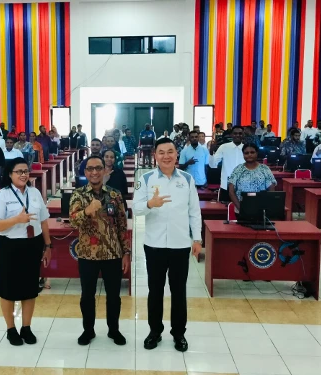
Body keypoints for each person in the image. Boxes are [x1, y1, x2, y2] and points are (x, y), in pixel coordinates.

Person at [133, 137, 202, 352]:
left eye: (170, 152)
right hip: (154, 245)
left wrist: (197, 238)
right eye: (161, 152)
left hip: (180, 245)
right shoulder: (145, 179)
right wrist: (149, 204)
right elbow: (135, 209)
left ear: (176, 155)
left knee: (179, 291)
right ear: (155, 156)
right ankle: (155, 331)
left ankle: (179, 333)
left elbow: (194, 212)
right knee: (155, 291)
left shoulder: (187, 180)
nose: (166, 156)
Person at [69, 155, 130, 346]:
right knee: (87, 295)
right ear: (85, 172)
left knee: (114, 296)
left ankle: (114, 330)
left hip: (113, 254)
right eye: (90, 169)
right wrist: (87, 211)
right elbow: (72, 220)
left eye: (98, 168)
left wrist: (126, 252)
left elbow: (122, 225)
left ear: (105, 170)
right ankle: (88, 330)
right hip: (88, 253)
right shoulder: (78, 195)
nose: (94, 172)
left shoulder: (115, 195)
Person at [0, 157, 52, 346]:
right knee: (8, 289)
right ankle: (11, 329)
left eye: (26, 171)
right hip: (9, 246)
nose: (24, 175)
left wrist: (48, 246)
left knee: (30, 289)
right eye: (19, 171)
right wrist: (17, 219)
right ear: (10, 174)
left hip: (32, 245)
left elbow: (43, 221)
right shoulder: (3, 195)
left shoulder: (35, 193)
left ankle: (26, 327)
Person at [228, 143, 277, 213]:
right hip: (241, 210)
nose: (249, 155)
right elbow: (231, 191)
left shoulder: (265, 169)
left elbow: (271, 190)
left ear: (257, 153)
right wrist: (241, 209)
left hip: (261, 211)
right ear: (243, 155)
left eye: (252, 152)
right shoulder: (238, 169)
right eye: (246, 153)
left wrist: (266, 208)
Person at [209, 126, 245, 192]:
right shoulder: (224, 147)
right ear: (231, 135)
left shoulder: (246, 148)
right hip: (226, 186)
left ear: (243, 135)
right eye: (235, 133)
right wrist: (211, 153)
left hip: (243, 185)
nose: (237, 135)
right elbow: (213, 165)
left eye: (240, 133)